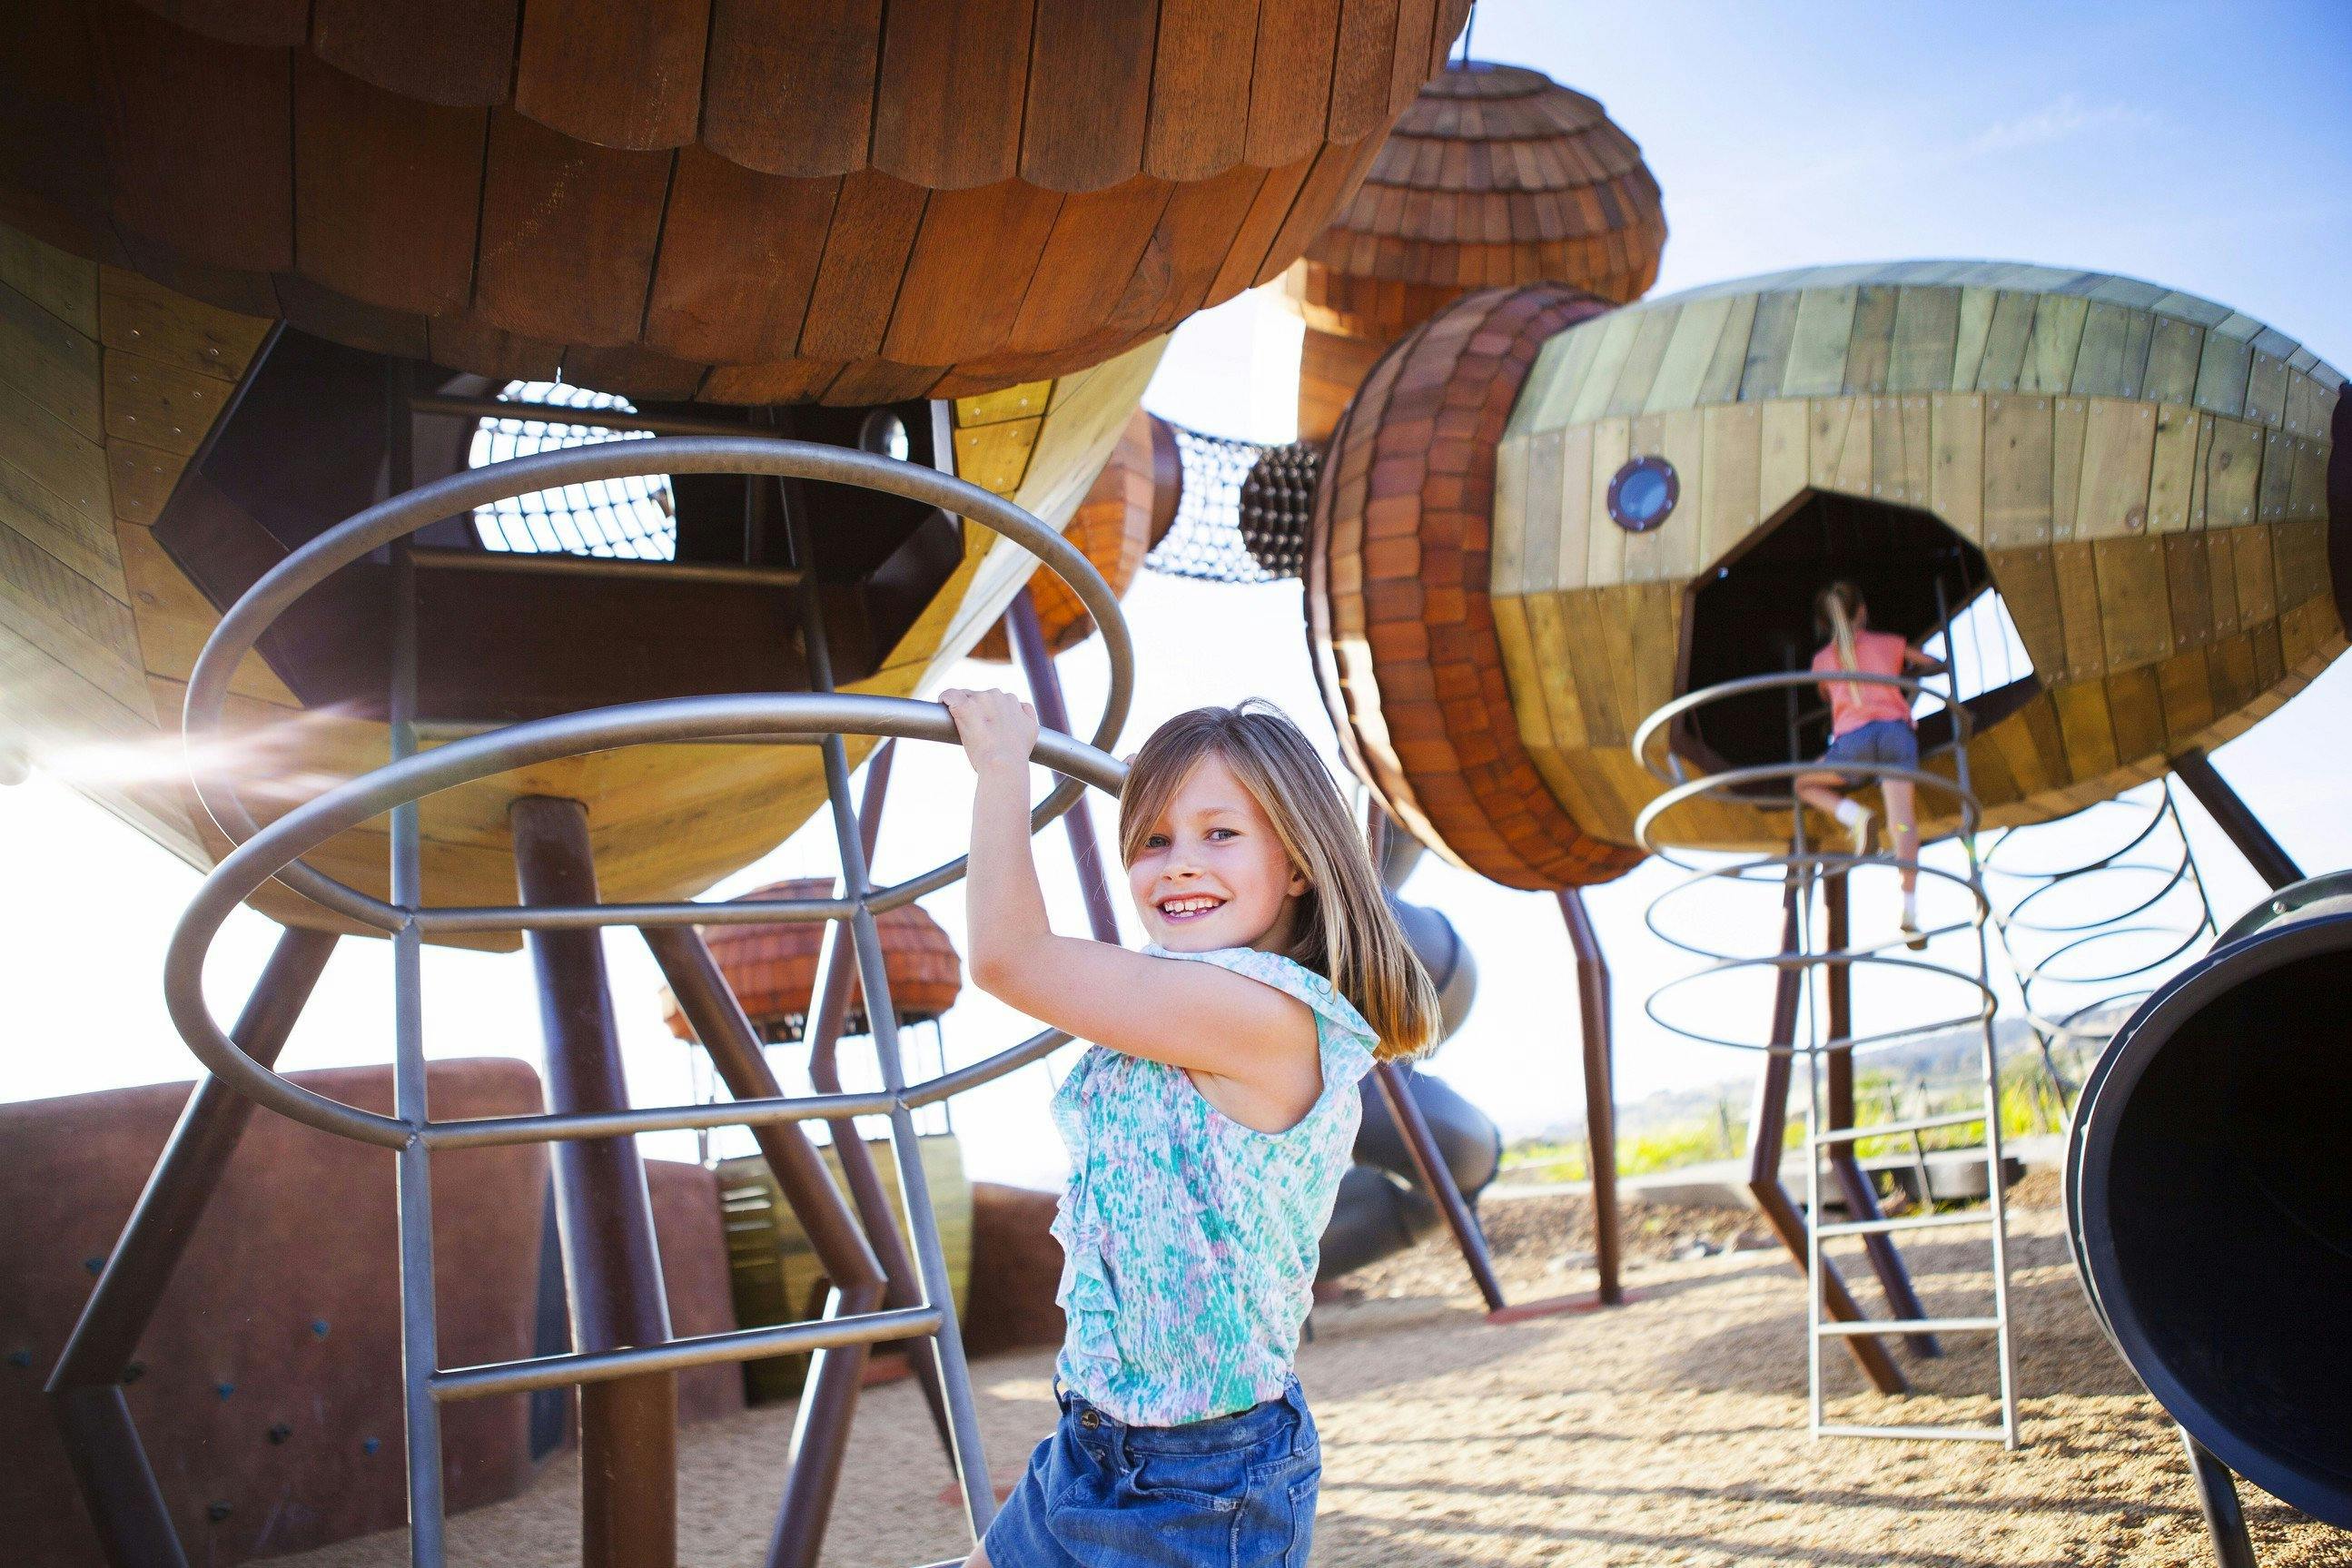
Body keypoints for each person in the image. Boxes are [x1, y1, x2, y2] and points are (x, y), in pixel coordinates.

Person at [937, 691, 1439, 1568]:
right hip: (1091, 1438)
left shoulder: (1263, 1015)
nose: (1177, 865)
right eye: (1152, 841)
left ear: (1297, 863)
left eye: (1219, 834)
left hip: (1204, 1478)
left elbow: (1007, 958)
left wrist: (1001, 766)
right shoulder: (1177, 1006)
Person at [1792, 582, 1947, 950]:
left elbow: (1826, 694)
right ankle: (1909, 910)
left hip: (1853, 743)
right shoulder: (1891, 643)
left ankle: (1856, 816)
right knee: (1903, 823)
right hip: (1896, 735)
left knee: (1803, 782)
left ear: (1825, 623)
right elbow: (1937, 666)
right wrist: (1903, 676)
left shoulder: (1822, 661)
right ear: (1862, 610)